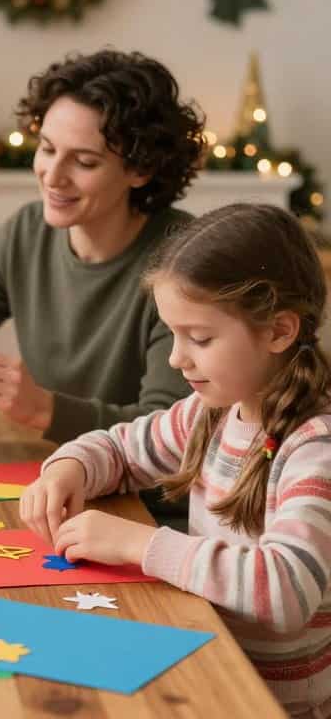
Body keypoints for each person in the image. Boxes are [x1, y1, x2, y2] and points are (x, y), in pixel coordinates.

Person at [20, 204, 331, 716]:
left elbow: (284, 590)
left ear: (279, 331)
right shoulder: (209, 413)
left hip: (269, 703)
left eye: (200, 338)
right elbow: (120, 448)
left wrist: (139, 544)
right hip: (204, 670)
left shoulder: (312, 448)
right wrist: (66, 469)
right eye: (173, 333)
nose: (176, 358)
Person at [0, 49, 205, 445]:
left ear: (141, 170)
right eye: (47, 149)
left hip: (144, 500)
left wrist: (42, 409)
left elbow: (168, 434)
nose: (52, 176)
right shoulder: (24, 234)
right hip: (56, 474)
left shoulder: (186, 261)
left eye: (83, 162)